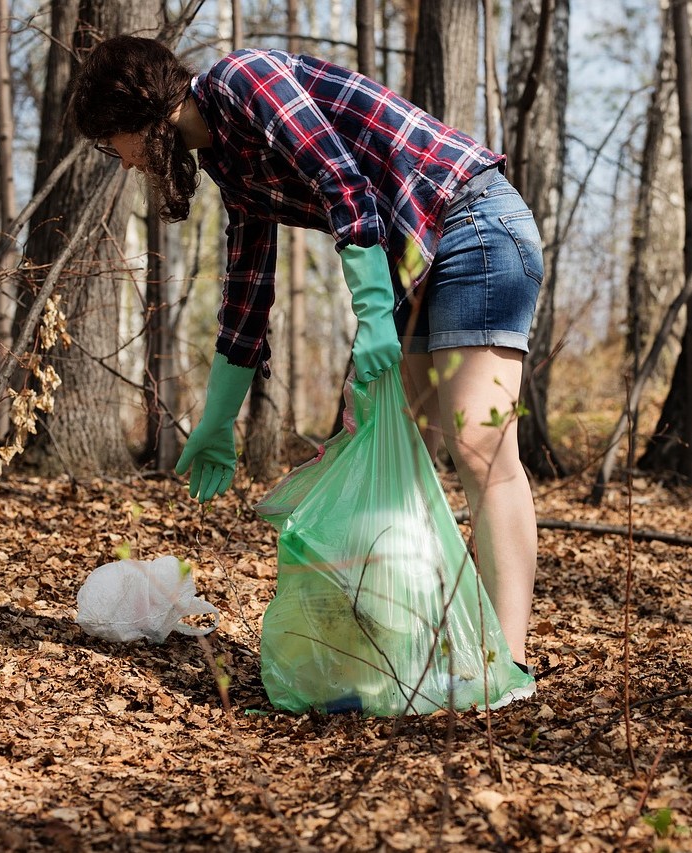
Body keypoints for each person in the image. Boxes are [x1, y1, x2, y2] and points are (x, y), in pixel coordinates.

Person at [69, 35, 543, 686]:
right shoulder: (227, 162)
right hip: (413, 257)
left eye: (110, 144)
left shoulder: (246, 78)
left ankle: (505, 663)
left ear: (135, 115)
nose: (121, 163)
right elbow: (246, 292)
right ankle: (410, 653)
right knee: (388, 451)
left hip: (471, 222)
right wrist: (217, 421)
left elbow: (339, 180)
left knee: (480, 444)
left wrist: (374, 314)